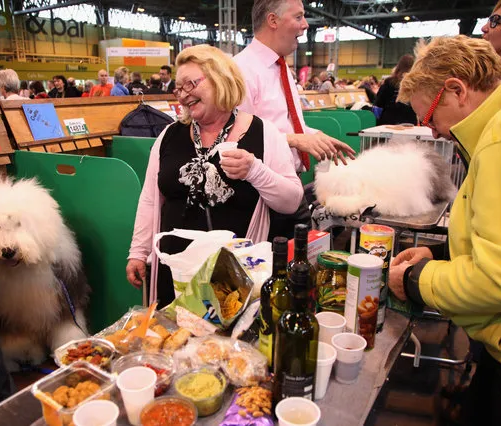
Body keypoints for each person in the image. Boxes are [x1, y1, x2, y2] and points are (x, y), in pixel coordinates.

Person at [387, 35, 501, 425]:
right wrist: (442, 255)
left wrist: (417, 280)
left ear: (456, 90)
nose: (430, 132)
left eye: (428, 117)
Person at [126, 44, 303, 307]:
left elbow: (292, 201)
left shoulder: (263, 133)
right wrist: (138, 252)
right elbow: (151, 199)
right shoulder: (169, 135)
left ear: (220, 79)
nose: (183, 95)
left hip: (235, 278)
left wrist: (255, 171)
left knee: (226, 347)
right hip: (175, 273)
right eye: (178, 88)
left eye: (190, 84)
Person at [233, 0, 355, 239]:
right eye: (298, 17)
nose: (306, 25)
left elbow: (280, 124)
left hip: (289, 187)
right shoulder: (241, 71)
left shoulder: (281, 69)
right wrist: (296, 140)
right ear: (273, 21)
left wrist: (313, 136)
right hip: (260, 194)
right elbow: (237, 136)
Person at [374, 54, 417, 125]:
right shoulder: (416, 84)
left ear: (398, 66)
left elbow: (379, 103)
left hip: (389, 122)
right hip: (410, 122)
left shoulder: (389, 82)